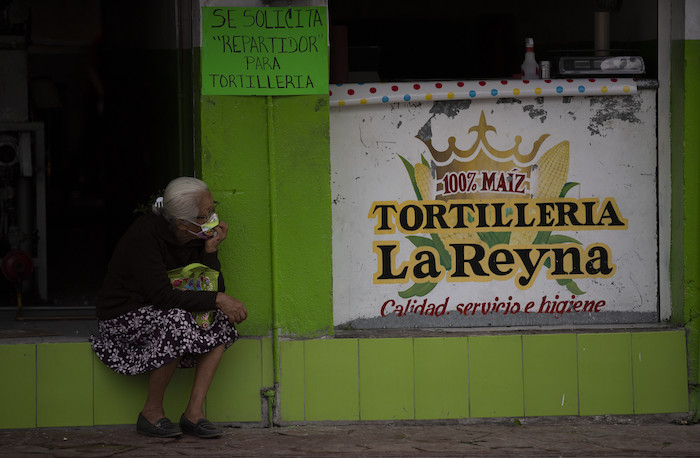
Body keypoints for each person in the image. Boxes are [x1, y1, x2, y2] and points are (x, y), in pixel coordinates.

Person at [89, 176, 248, 439]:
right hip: (125, 317)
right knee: (178, 318)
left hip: (165, 312)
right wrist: (219, 299)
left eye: (212, 209)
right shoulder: (145, 236)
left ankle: (193, 414)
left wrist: (210, 251)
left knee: (220, 319)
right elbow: (164, 299)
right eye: (204, 214)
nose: (212, 217)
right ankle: (151, 413)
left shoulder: (197, 236)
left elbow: (209, 290)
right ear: (181, 223)